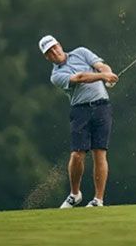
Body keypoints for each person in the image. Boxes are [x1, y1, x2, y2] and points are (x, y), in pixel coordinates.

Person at [38, 34, 118, 208]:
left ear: (60, 45)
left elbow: (101, 65)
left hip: (102, 107)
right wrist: (103, 77)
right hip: (80, 111)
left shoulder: (81, 52)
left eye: (55, 47)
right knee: (77, 154)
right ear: (47, 57)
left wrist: (107, 73)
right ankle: (75, 194)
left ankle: (98, 200)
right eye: (49, 52)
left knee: (100, 153)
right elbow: (79, 78)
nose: (54, 52)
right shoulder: (56, 75)